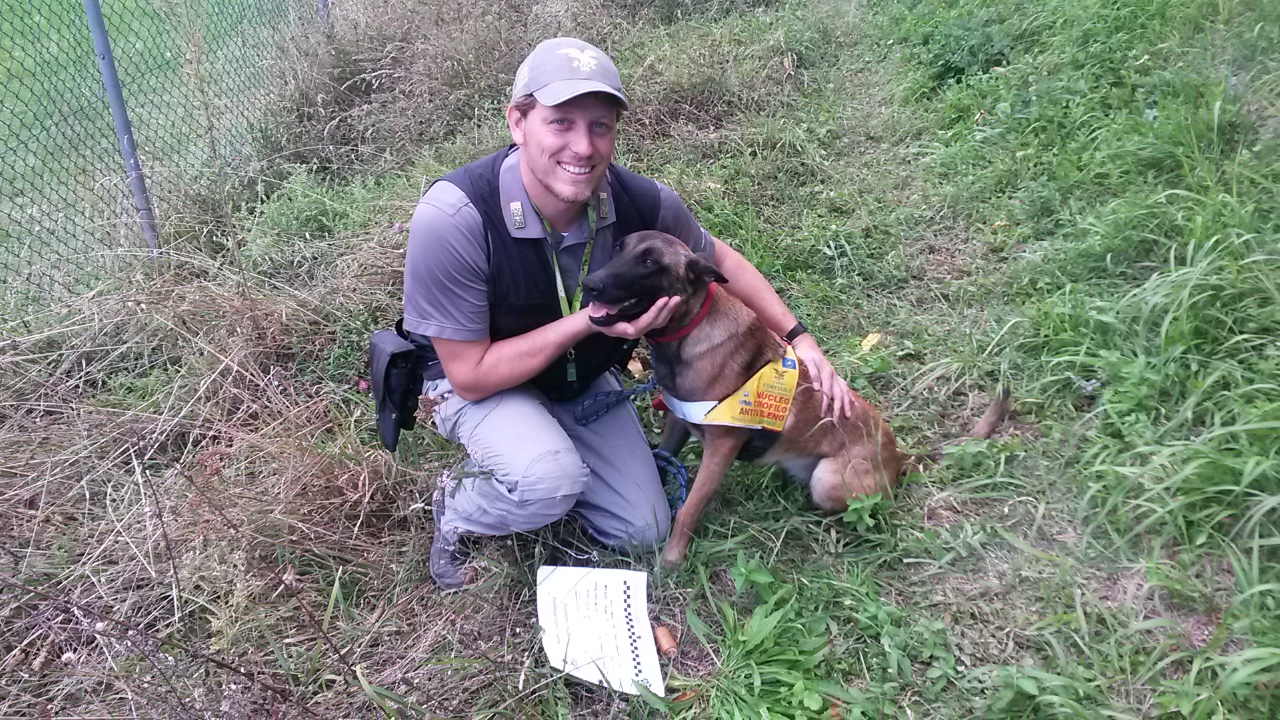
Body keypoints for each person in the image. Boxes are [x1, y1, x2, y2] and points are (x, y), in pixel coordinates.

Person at [403, 37, 854, 590]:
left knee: (641, 529)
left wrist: (800, 339)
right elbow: (470, 375)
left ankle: (543, 463)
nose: (584, 146)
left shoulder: (641, 202)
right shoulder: (455, 217)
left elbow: (723, 260)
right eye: (561, 122)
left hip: (577, 375)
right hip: (476, 381)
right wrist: (589, 321)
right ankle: (460, 504)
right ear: (518, 121)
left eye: (601, 125)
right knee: (548, 480)